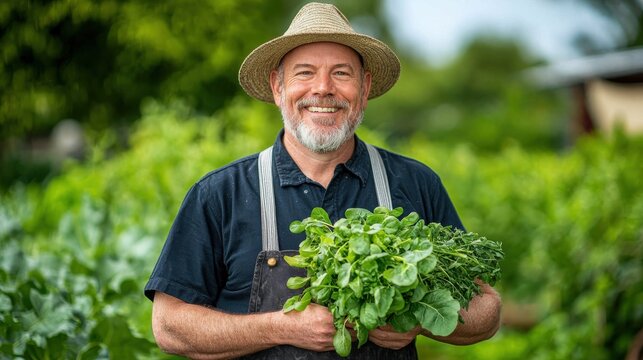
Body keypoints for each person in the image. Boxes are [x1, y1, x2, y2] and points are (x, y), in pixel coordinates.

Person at [144, 2, 501, 359]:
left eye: (342, 74)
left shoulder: (415, 183)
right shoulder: (220, 194)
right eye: (304, 73)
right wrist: (280, 327)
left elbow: (486, 309)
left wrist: (419, 318)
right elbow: (170, 325)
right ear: (277, 87)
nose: (323, 88)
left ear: (364, 87)